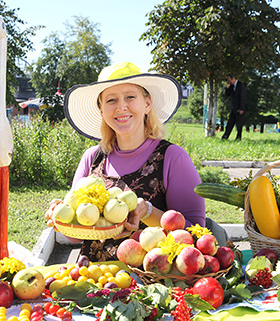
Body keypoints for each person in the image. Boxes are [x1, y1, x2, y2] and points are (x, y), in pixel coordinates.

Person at [45, 62, 207, 262]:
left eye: (130, 97)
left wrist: (148, 212)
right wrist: (60, 217)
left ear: (147, 103)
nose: (121, 107)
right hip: (94, 281)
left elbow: (197, 235)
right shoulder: (92, 158)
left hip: (150, 285)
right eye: (111, 100)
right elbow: (74, 234)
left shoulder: (172, 157)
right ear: (102, 111)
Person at [221, 74, 247, 141]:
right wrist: (228, 87)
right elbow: (227, 94)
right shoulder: (232, 86)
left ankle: (238, 138)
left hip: (240, 108)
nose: (229, 81)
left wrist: (242, 108)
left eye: (230, 80)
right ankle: (225, 137)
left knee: (239, 125)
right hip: (234, 108)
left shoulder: (241, 86)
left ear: (234, 79)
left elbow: (243, 98)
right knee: (229, 124)